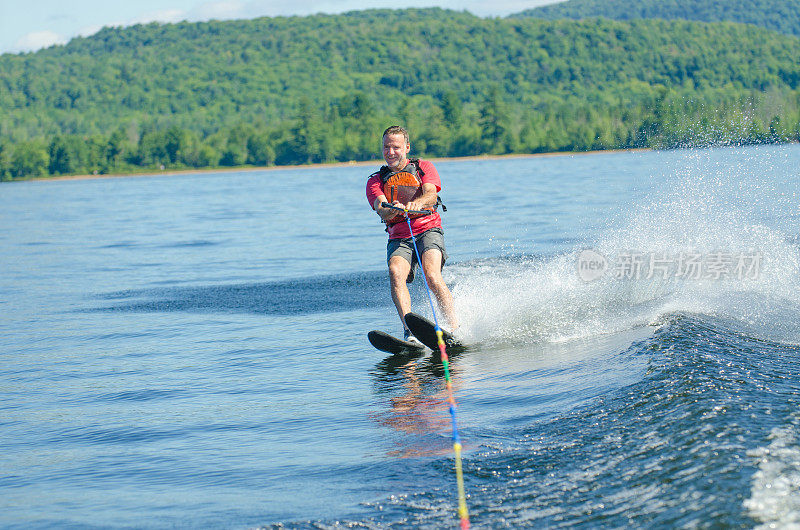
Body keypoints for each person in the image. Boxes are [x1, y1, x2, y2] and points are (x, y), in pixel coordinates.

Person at [366, 125, 459, 343]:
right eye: (386, 147)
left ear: (406, 147)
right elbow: (381, 208)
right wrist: (392, 208)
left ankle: (453, 328)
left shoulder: (424, 167)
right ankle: (409, 333)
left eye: (396, 147)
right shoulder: (375, 180)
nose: (390, 152)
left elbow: (430, 195)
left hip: (428, 228)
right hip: (399, 236)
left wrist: (414, 204)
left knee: (432, 276)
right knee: (395, 272)